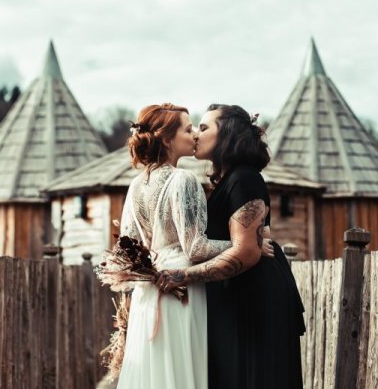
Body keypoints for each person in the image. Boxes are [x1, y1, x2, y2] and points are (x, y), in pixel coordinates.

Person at [114, 103, 273, 389]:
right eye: (188, 130)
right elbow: (196, 249)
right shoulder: (184, 179)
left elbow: (127, 250)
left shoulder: (135, 185)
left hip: (147, 292)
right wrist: (251, 246)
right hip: (181, 290)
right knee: (184, 371)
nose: (195, 135)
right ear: (167, 139)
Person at [158, 104, 305, 389]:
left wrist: (184, 276)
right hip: (235, 295)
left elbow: (247, 252)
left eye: (204, 127)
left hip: (254, 298)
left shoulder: (244, 179)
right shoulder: (228, 180)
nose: (196, 135)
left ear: (227, 135)